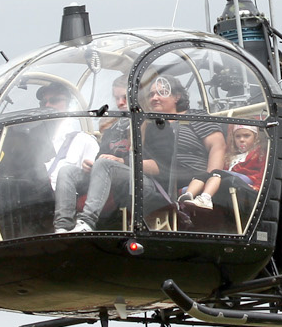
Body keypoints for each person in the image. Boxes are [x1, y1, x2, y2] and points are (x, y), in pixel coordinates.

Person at [72, 74, 224, 230]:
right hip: (154, 177)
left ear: (177, 96)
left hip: (189, 176)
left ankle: (88, 220)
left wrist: (211, 178)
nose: (155, 98)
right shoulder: (149, 124)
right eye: (151, 94)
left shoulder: (194, 117)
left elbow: (217, 147)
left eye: (161, 92)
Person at [52, 75, 130, 233]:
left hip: (132, 175)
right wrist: (91, 166)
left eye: (125, 98)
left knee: (103, 165)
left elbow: (149, 159)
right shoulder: (113, 128)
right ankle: (63, 225)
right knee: (67, 171)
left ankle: (87, 221)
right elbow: (101, 157)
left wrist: (121, 160)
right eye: (117, 98)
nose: (120, 103)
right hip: (107, 173)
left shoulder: (144, 123)